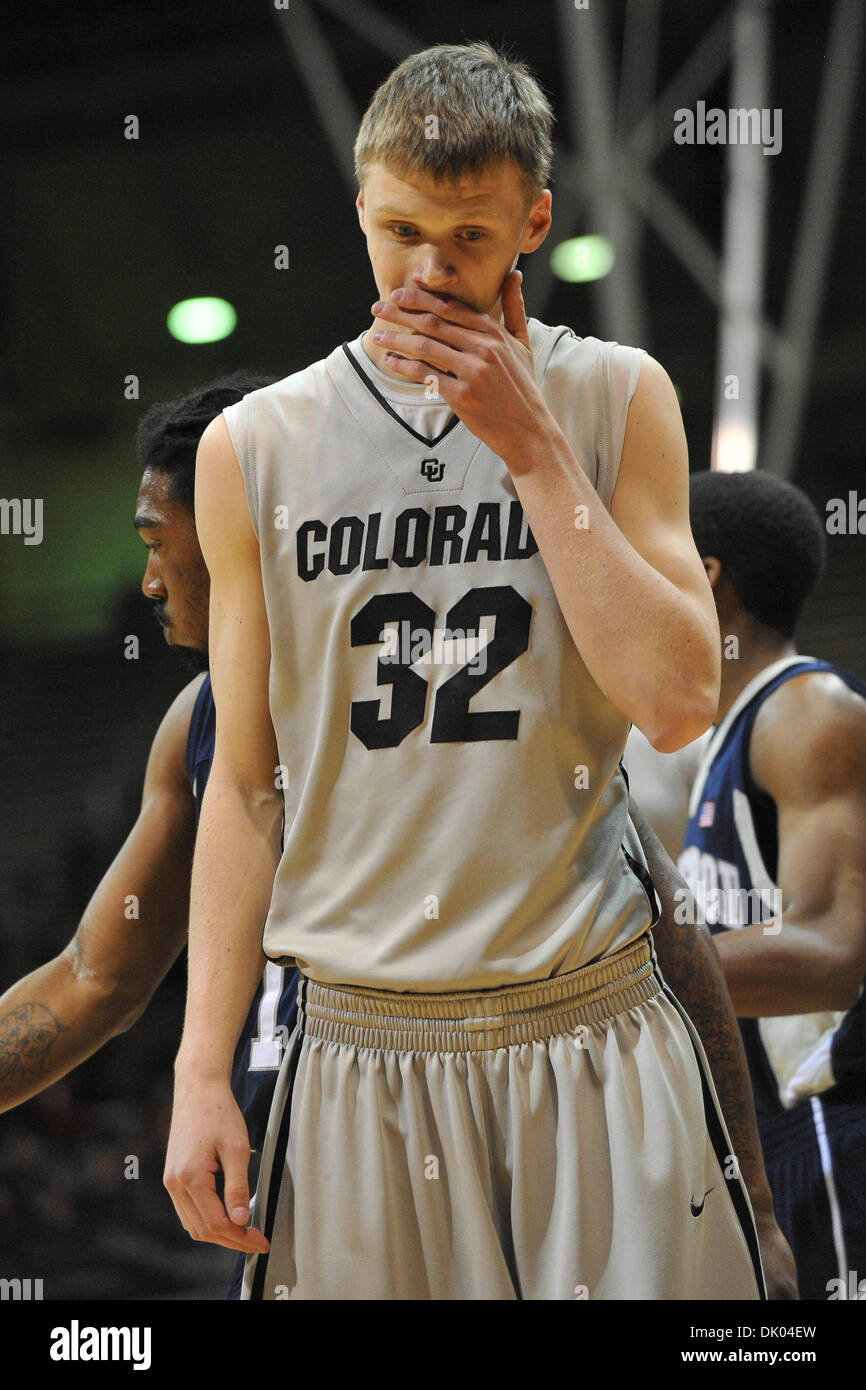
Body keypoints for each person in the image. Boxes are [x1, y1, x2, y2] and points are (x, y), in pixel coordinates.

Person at [164, 41, 793, 1299]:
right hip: (357, 1048)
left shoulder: (617, 394)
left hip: (597, 1024)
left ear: (533, 224)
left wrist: (533, 452)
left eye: (466, 235)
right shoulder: (253, 447)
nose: (429, 272)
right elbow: (242, 790)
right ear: (358, 211)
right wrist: (196, 1077)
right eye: (399, 230)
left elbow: (676, 705)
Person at [0, 373, 298, 1297]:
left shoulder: (407, 695)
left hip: (449, 1109)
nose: (146, 580)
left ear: (231, 535)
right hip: (287, 1166)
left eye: (156, 543)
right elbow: (96, 977)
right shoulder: (194, 723)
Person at [677, 468, 866, 1300]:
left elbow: (831, 951)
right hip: (767, 1135)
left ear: (706, 572)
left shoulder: (806, 710)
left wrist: (622, 974)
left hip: (832, 1118)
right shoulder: (729, 733)